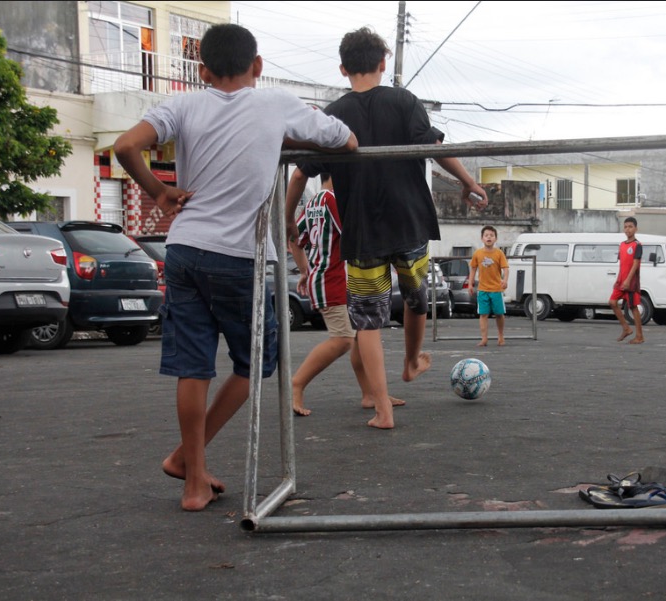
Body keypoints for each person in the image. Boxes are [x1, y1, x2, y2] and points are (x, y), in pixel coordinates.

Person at [113, 23, 357, 511]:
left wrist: (158, 190)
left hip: (182, 250)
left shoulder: (183, 104)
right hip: (239, 257)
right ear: (258, 66)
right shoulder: (275, 104)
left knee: (192, 367)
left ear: (202, 71)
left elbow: (124, 146)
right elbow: (345, 141)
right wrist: (282, 139)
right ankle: (187, 457)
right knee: (256, 364)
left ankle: (193, 478)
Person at [285, 26, 487, 430]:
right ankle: (411, 362)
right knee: (416, 297)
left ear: (343, 69)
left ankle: (382, 409)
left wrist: (289, 219)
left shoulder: (334, 115)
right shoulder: (404, 101)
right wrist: (468, 182)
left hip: (362, 234)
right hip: (409, 223)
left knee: (367, 321)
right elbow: (435, 149)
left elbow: (298, 174)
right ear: (383, 63)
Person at [287, 173, 404, 416]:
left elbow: (294, 240)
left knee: (361, 339)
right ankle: (296, 383)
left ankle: (370, 394)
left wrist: (306, 271)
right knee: (343, 339)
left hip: (326, 277)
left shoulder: (312, 203)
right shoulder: (334, 201)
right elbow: (356, 235)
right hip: (335, 279)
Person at [468, 225, 509, 347]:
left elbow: (506, 269)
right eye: (486, 235)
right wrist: (470, 284)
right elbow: (473, 269)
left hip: (496, 289)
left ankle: (501, 336)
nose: (489, 238)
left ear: (495, 238)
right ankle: (484, 339)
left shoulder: (499, 253)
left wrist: (505, 280)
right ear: (482, 238)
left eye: (491, 235)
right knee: (483, 314)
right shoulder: (477, 253)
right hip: (482, 289)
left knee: (499, 314)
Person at [609, 216, 645, 344]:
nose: (627, 229)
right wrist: (619, 279)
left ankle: (640, 335)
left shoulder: (637, 245)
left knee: (633, 307)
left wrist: (628, 280)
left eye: (630, 227)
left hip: (631, 282)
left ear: (636, 229)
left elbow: (635, 265)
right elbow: (622, 264)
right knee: (612, 302)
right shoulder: (622, 245)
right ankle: (626, 328)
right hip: (621, 281)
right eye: (625, 227)